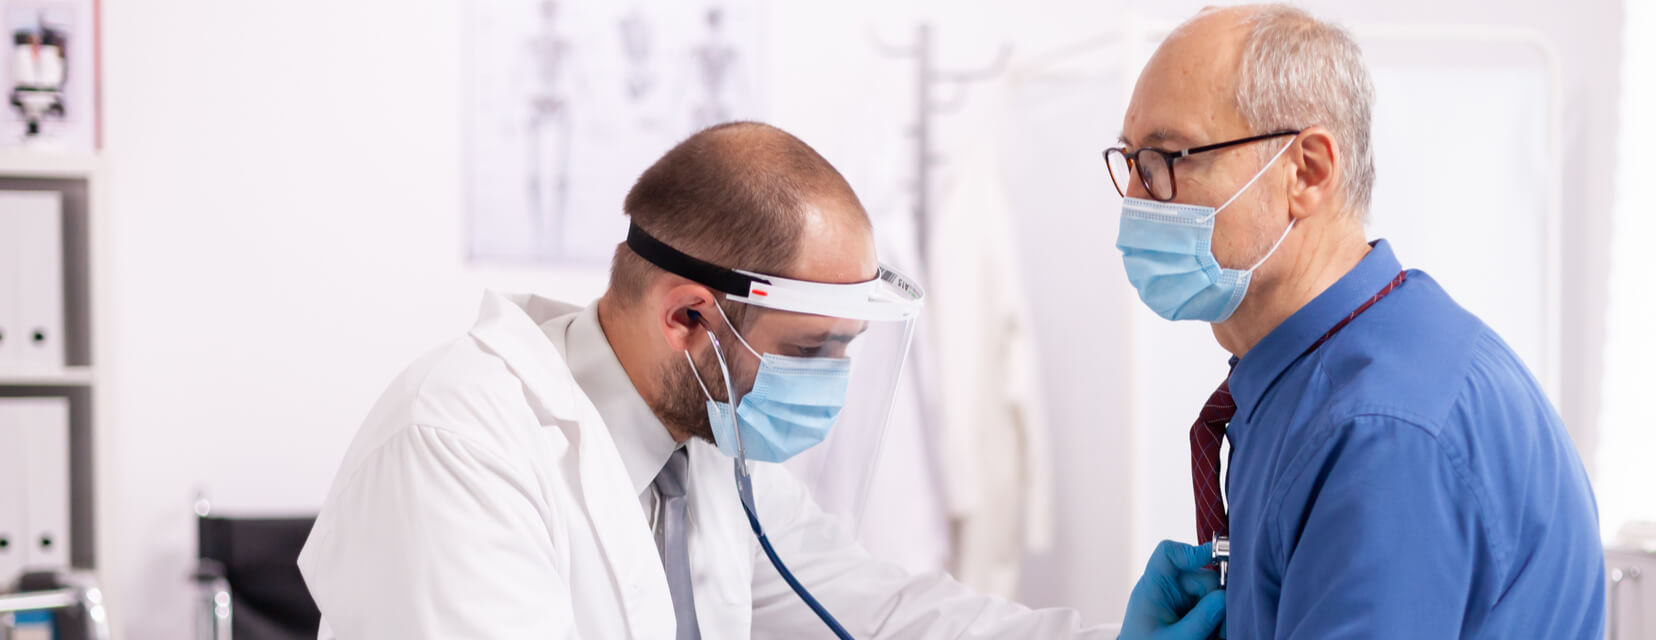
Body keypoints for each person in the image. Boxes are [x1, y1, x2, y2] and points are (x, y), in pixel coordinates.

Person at [298, 121, 1226, 639]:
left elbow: (875, 609)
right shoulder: (459, 449)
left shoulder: (700, 445)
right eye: (812, 349)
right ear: (689, 317)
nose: (830, 382)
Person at [1104, 4, 1606, 638]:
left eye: (1169, 157)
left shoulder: (1381, 433)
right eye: (1131, 162)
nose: (1136, 199)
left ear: (1306, 171)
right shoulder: (1298, 384)